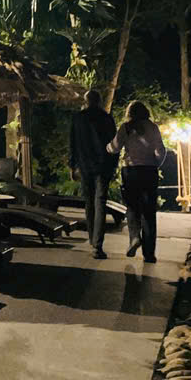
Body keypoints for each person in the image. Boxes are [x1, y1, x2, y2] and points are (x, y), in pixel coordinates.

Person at [107, 100, 166, 263]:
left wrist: (106, 148)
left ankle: (134, 237)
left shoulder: (126, 128)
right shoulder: (153, 127)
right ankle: (149, 254)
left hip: (131, 171)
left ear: (130, 113)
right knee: (149, 212)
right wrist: (156, 164)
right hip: (149, 171)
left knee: (132, 207)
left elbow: (115, 147)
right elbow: (161, 151)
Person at [69, 89, 117, 258]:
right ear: (99, 101)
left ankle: (92, 238)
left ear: (86, 101)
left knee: (89, 202)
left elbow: (72, 143)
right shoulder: (107, 118)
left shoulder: (78, 118)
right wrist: (114, 166)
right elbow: (114, 144)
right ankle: (98, 244)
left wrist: (72, 166)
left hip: (85, 166)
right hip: (103, 166)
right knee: (100, 203)